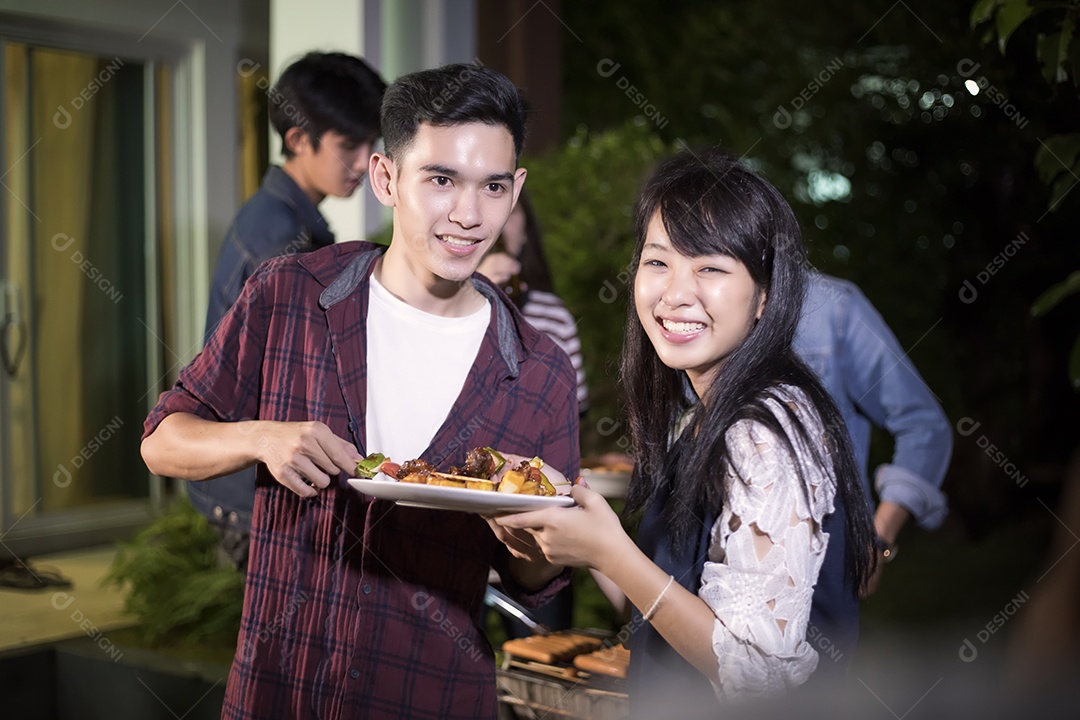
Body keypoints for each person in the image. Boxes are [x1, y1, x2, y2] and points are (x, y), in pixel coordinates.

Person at [141, 63, 579, 719]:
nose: (468, 214)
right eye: (440, 180)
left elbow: (535, 579)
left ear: (516, 190)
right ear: (385, 178)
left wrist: (536, 537)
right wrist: (261, 437)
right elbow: (161, 440)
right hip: (279, 692)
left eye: (492, 186)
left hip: (433, 697)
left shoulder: (540, 370)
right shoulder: (289, 294)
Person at [494, 148, 876, 715]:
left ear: (765, 295)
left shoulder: (766, 432)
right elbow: (660, 607)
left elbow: (760, 673)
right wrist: (582, 527)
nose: (675, 293)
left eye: (711, 268)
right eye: (658, 262)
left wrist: (611, 552)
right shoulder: (701, 415)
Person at [190, 51, 387, 570]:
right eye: (350, 145)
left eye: (372, 143)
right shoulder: (281, 236)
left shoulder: (284, 217)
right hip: (257, 490)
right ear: (299, 139)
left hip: (259, 479)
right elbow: (312, 368)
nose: (364, 161)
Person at [794, 273, 952, 594]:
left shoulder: (831, 308)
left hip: (821, 574)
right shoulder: (677, 311)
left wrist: (877, 540)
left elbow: (922, 423)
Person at [476, 190, 588, 414]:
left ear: (526, 233)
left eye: (510, 210)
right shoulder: (438, 307)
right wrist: (472, 294)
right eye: (486, 207)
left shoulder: (554, 315)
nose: (498, 220)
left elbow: (573, 412)